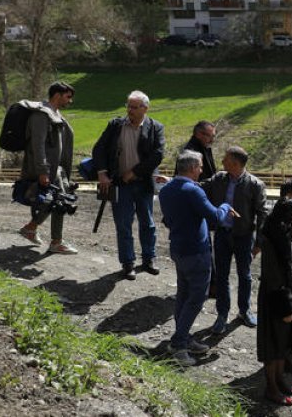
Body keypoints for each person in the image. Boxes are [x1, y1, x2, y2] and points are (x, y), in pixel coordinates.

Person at [158, 150, 237, 367]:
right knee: (196, 298)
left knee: (183, 295)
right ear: (193, 168)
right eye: (200, 166)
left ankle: (183, 337)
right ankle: (179, 344)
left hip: (178, 248)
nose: (202, 170)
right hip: (196, 251)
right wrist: (225, 206)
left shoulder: (167, 189)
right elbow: (215, 216)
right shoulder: (193, 191)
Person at [92, 90, 166, 280]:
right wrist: (102, 173)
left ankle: (149, 259)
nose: (130, 110)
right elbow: (99, 148)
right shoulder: (116, 125)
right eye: (128, 106)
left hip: (143, 184)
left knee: (148, 224)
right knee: (123, 225)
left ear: (145, 108)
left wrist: (134, 173)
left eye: (134, 107)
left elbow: (157, 155)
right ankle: (128, 263)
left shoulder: (155, 127)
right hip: (119, 184)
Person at [202, 145, 267, 333]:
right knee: (221, 275)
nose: (222, 162)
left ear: (236, 164)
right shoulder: (219, 179)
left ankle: (244, 311)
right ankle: (222, 314)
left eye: (226, 159)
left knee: (245, 275)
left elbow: (262, 214)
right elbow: (198, 187)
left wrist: (259, 243)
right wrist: (176, 181)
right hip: (222, 234)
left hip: (244, 236)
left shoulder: (255, 185)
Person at [258, 179, 292, 406]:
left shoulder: (284, 234)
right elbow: (275, 276)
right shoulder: (274, 240)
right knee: (272, 344)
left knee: (283, 342)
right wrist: (287, 304)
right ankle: (271, 386)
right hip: (277, 297)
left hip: (288, 293)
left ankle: (280, 379)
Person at [17, 81, 78, 255]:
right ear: (57, 95)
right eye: (68, 97)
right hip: (45, 169)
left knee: (55, 202)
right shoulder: (41, 115)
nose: (70, 101)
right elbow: (38, 145)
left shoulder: (55, 114)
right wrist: (42, 170)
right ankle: (56, 242)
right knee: (60, 202)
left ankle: (31, 228)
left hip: (56, 170)